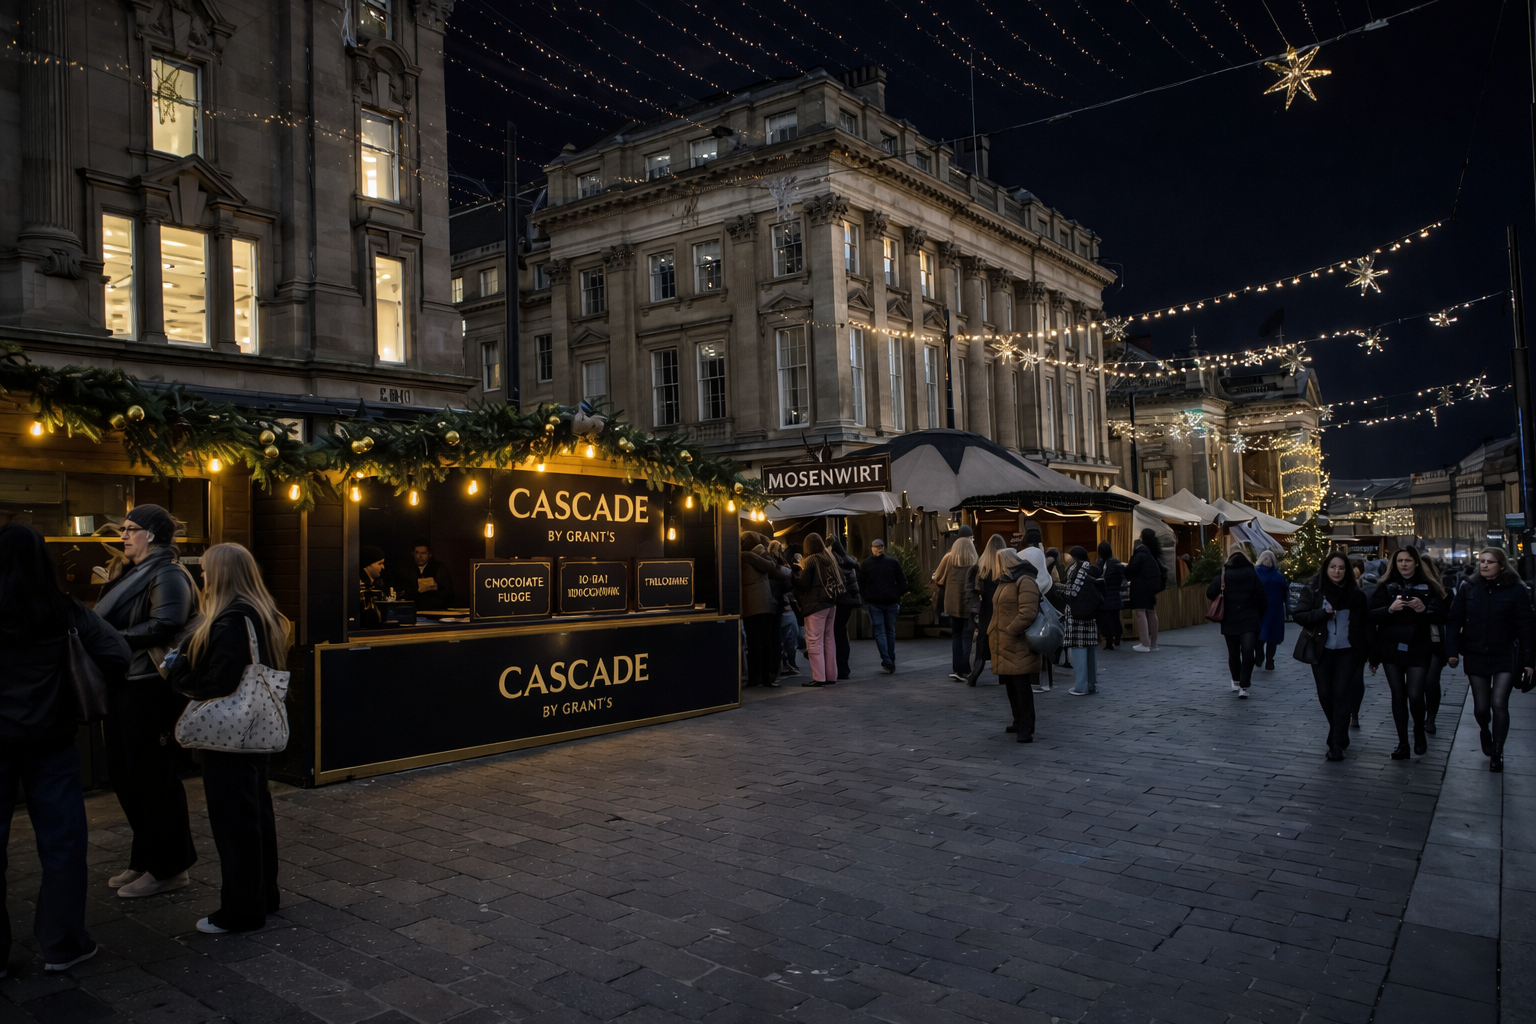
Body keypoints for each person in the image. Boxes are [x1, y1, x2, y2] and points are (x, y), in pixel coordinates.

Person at [0, 524, 130, 971]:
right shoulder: (65, 611)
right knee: (62, 845)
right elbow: (117, 655)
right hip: (52, 740)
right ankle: (62, 943)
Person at [164, 544, 289, 933]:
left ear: (220, 574)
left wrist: (177, 672)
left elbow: (218, 681)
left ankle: (241, 911)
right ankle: (264, 896)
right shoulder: (264, 614)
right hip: (256, 731)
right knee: (256, 817)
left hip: (228, 739)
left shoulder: (230, 619)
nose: (201, 577)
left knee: (234, 825)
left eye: (204, 571)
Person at [91, 504, 199, 898]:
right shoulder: (136, 571)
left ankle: (170, 868)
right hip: (126, 682)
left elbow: (167, 623)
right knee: (126, 775)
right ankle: (145, 858)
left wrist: (110, 638)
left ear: (151, 534)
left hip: (149, 686)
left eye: (130, 529)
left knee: (152, 778)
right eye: (122, 528)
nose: (122, 535)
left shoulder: (167, 572)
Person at [1445, 547, 1536, 772]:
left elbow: (1526, 627)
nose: (1484, 565)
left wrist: (1529, 661)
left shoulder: (1516, 590)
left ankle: (1497, 751)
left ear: (1502, 565)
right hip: (1475, 653)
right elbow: (1454, 620)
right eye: (1482, 561)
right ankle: (1485, 731)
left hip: (1505, 654)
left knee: (1499, 702)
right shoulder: (1469, 587)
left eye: (1490, 562)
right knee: (1481, 708)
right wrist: (1452, 651)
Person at [1368, 546, 1446, 760]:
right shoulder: (1385, 586)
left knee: (1414, 693)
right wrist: (1390, 609)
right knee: (1398, 695)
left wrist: (1424, 609)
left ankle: (1418, 731)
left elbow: (1442, 614)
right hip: (1391, 646)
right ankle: (1403, 742)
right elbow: (1371, 615)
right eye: (1400, 560)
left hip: (1418, 645)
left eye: (1408, 560)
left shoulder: (1429, 586)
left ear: (1416, 563)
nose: (1403, 564)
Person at [1292, 553, 1369, 761]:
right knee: (1325, 694)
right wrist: (1322, 614)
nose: (1337, 571)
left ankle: (1336, 743)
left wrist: (1369, 653)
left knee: (1341, 695)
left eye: (1341, 568)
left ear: (1347, 571)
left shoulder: (1356, 595)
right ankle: (1338, 731)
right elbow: (1299, 615)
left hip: (1348, 651)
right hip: (1321, 649)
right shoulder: (1314, 591)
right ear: (1326, 569)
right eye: (1333, 567)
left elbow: (1365, 625)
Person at [988, 548, 1041, 742]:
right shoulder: (1006, 580)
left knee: (1021, 686)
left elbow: (1028, 612)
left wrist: (1010, 630)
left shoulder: (1024, 580)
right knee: (1011, 685)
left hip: (1018, 643)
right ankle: (1018, 721)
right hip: (1004, 644)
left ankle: (1027, 727)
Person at [1207, 542, 1267, 698]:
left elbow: (1210, 592)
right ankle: (1244, 687)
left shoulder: (1224, 572)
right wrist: (1259, 616)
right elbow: (1262, 596)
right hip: (1249, 617)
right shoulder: (1252, 572)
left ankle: (1236, 680)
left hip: (1229, 618)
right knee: (1248, 652)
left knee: (1233, 653)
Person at [793, 533, 841, 687]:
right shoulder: (828, 558)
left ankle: (819, 677)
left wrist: (796, 572)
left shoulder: (810, 560)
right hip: (830, 603)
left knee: (814, 641)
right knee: (829, 640)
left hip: (815, 605)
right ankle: (831, 675)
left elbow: (803, 584)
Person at [739, 533, 786, 689]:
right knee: (765, 642)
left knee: (754, 644)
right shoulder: (763, 555)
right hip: (766, 604)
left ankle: (754, 678)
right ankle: (767, 677)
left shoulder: (744, 558)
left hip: (752, 605)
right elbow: (773, 567)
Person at [932, 529, 979, 680]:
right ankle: (965, 668)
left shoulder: (948, 558)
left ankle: (957, 669)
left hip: (951, 602)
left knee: (956, 635)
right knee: (967, 635)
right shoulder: (974, 559)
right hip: (969, 602)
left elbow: (937, 577)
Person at [965, 535, 1009, 685]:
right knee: (1002, 640)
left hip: (985, 609)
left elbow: (971, 591)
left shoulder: (980, 567)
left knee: (983, 640)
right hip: (1002, 608)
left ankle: (976, 672)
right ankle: (1003, 676)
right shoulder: (1006, 568)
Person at [1059, 545, 1103, 695]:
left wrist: (1058, 587)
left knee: (1078, 652)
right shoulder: (1091, 568)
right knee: (1090, 652)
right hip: (1090, 614)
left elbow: (1072, 592)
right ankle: (1092, 684)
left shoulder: (1075, 569)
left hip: (1076, 616)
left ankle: (1080, 686)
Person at [859, 539, 906, 674]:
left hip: (876, 602)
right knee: (889, 631)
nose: (878, 549)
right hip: (888, 601)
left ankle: (887, 659)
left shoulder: (866, 564)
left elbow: (861, 583)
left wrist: (866, 596)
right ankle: (889, 659)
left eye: (879, 547)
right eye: (876, 547)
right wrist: (896, 594)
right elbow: (902, 582)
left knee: (880, 632)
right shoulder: (892, 562)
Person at [1421, 557, 1450, 735]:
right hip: (1411, 641)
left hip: (1434, 641)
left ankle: (1431, 717)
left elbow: (1445, 617)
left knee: (1431, 681)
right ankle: (1420, 716)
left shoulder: (1442, 592)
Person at [1021, 546, 1055, 692]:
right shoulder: (1047, 579)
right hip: (1047, 625)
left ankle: (1036, 682)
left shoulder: (1031, 582)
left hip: (1035, 623)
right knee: (1045, 652)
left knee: (1034, 650)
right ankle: (1046, 682)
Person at [1126, 529, 1165, 652]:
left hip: (1141, 585)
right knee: (1151, 612)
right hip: (1152, 586)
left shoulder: (1141, 552)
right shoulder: (1154, 552)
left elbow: (1131, 568)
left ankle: (1144, 643)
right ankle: (1153, 644)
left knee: (1140, 611)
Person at [829, 538, 862, 680]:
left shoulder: (833, 562)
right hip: (848, 602)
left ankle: (839, 668)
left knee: (836, 634)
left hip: (838, 602)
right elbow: (854, 584)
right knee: (841, 633)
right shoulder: (849, 561)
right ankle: (844, 668)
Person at [769, 541, 801, 676]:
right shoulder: (783, 567)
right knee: (791, 640)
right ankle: (790, 663)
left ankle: (783, 665)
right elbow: (791, 581)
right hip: (786, 608)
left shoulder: (767, 564)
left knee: (779, 641)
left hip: (775, 607)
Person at [1254, 550, 1289, 670]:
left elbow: (1285, 593)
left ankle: (1270, 660)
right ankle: (1259, 656)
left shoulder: (1278, 576)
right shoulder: (1255, 573)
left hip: (1275, 610)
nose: (1267, 561)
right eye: (1265, 558)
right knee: (1259, 635)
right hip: (1260, 609)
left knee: (1272, 637)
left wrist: (1286, 608)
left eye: (1269, 558)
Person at [400, 540, 455, 611]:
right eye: (417, 553)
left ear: (430, 554)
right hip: (411, 609)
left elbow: (448, 593)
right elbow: (402, 591)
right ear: (412, 553)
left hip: (435, 610)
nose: (420, 556)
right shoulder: (404, 568)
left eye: (424, 553)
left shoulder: (439, 568)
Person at [1095, 541, 1125, 651]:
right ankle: (1117, 636)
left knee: (1105, 620)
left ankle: (1109, 642)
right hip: (1115, 595)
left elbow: (1096, 576)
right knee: (1115, 618)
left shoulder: (1100, 563)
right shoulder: (1115, 562)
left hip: (1104, 596)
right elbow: (1122, 577)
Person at [358, 544, 387, 629]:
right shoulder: (360, 586)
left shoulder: (377, 584)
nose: (383, 567)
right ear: (368, 564)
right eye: (380, 563)